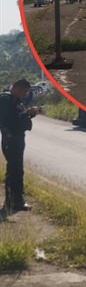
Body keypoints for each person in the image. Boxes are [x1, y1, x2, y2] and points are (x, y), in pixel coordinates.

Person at [0, 79, 41, 213]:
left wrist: (30, 114)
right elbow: (10, 121)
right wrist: (27, 114)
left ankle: (16, 201)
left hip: (17, 139)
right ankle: (12, 203)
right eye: (24, 92)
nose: (24, 95)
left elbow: (20, 119)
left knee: (18, 171)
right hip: (11, 140)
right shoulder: (5, 100)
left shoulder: (16, 101)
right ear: (16, 88)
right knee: (13, 172)